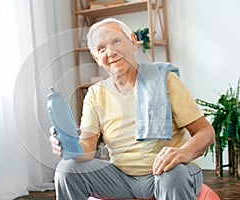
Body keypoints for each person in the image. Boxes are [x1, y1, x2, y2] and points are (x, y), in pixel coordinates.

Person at [49, 18, 215, 200]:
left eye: (116, 41)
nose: (110, 52)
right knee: (67, 169)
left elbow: (205, 131)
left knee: (172, 174)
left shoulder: (164, 80)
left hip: (166, 174)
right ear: (96, 58)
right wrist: (68, 146)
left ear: (133, 41)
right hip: (121, 178)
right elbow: (88, 147)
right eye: (101, 48)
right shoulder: (95, 94)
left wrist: (184, 152)